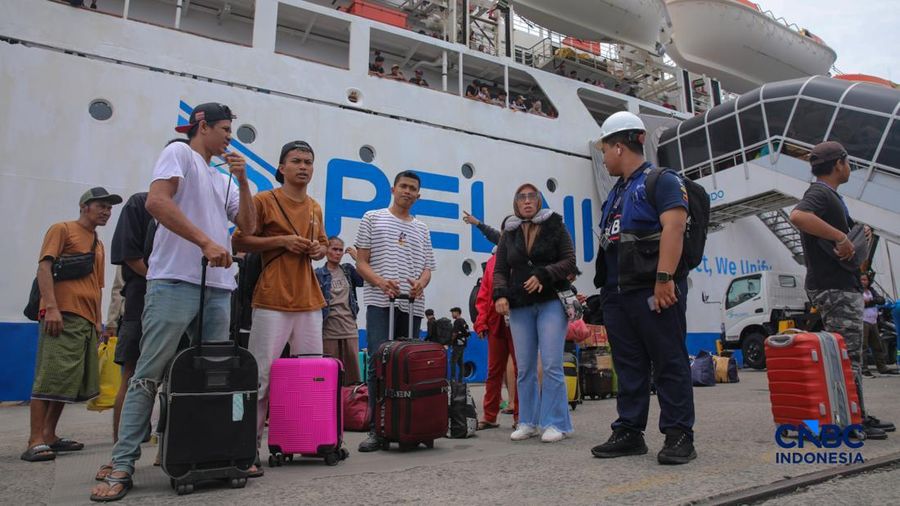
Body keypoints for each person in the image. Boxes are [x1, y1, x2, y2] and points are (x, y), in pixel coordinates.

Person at [90, 102, 256, 502]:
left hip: (218, 287)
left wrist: (244, 181)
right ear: (202, 126)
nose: (229, 138)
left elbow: (248, 228)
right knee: (148, 374)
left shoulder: (223, 179)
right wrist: (205, 241)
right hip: (173, 283)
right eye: (224, 130)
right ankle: (123, 463)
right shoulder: (178, 153)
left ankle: (202, 453)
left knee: (212, 378)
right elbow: (157, 202)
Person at [589, 111, 697, 465]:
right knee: (629, 364)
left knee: (668, 360)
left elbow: (675, 226)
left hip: (653, 290)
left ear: (619, 147)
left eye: (605, 149)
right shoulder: (618, 192)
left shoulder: (661, 180)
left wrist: (664, 279)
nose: (603, 157)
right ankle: (630, 432)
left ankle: (679, 434)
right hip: (619, 296)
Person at [789, 140, 894, 438]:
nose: (849, 168)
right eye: (847, 162)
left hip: (838, 285)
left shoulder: (830, 197)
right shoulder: (820, 193)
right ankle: (851, 420)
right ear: (838, 164)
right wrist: (840, 236)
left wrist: (856, 234)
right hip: (834, 287)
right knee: (847, 356)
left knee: (850, 355)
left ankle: (856, 412)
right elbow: (798, 216)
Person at [232, 140, 328, 455]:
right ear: (281, 167)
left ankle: (305, 441)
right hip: (272, 298)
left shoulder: (315, 206)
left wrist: (318, 249)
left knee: (311, 378)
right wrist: (283, 241)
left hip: (310, 300)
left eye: (309, 162)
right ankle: (246, 448)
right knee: (259, 378)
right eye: (297, 161)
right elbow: (240, 240)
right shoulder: (263, 200)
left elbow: (324, 245)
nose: (303, 167)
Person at [22, 187, 121, 463]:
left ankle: (50, 435)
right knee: (50, 374)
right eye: (101, 206)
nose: (106, 212)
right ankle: (35, 440)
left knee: (66, 381)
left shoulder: (98, 243)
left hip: (87, 320)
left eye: (109, 208)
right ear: (84, 206)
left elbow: (97, 286)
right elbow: (44, 268)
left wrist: (99, 322)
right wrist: (51, 307)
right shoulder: (62, 229)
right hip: (62, 314)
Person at [354, 170, 436, 452]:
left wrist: (420, 285)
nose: (408, 192)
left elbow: (427, 268)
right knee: (379, 363)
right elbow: (361, 262)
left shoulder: (422, 228)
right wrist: (380, 281)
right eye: (403, 186)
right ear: (392, 188)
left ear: (418, 195)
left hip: (411, 305)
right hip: (380, 302)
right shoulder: (372, 218)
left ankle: (408, 426)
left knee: (408, 366)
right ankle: (378, 429)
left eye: (413, 188)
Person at [493, 183, 577, 443]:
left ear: (539, 200)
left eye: (532, 196)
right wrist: (501, 294)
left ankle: (557, 423)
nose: (527, 201)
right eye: (522, 197)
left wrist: (544, 274)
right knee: (525, 367)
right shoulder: (509, 231)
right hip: (520, 305)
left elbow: (569, 261)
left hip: (551, 300)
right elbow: (500, 269)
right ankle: (527, 421)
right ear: (515, 202)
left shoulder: (555, 225)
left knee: (551, 364)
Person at [93, 192, 153, 481]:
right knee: (132, 377)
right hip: (142, 303)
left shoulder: (195, 204)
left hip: (186, 303)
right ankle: (119, 454)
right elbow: (129, 257)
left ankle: (172, 450)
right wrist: (161, 279)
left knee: (180, 379)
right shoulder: (139, 204)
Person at [475, 249, 518, 430]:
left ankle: (521, 417)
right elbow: (484, 292)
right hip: (495, 322)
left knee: (521, 370)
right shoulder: (492, 262)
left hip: (518, 320)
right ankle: (490, 415)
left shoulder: (520, 255)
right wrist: (481, 321)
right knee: (493, 371)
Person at [315, 237, 364, 385]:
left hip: (349, 327)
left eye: (340, 250)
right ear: (327, 251)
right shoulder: (318, 273)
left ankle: (352, 404)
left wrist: (358, 259)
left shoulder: (348, 270)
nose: (337, 253)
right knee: (329, 373)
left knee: (353, 374)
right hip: (329, 328)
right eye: (334, 249)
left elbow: (363, 280)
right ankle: (330, 404)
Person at [861, 273, 896, 376]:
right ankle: (864, 368)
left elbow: (881, 300)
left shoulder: (871, 291)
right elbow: (860, 303)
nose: (863, 282)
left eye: (865, 280)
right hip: (863, 320)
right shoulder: (857, 291)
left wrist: (870, 301)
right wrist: (871, 302)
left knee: (877, 345)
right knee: (863, 346)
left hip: (873, 321)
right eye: (861, 280)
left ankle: (882, 367)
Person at [449, 307, 470, 382]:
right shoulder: (463, 321)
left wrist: (450, 342)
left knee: (452, 361)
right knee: (460, 363)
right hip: (463, 344)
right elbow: (468, 333)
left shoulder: (457, 321)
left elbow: (454, 333)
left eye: (453, 312)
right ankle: (460, 380)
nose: (452, 314)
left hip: (457, 344)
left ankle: (453, 379)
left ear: (457, 313)